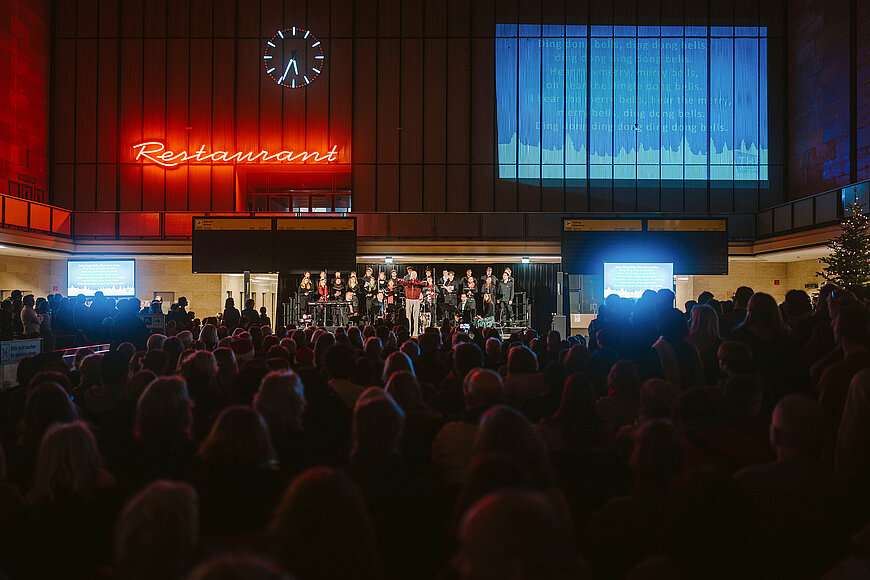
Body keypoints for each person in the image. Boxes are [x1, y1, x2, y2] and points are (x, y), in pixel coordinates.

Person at [398, 269, 427, 336]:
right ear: (410, 275)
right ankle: (409, 332)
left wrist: (415, 282)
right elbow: (399, 282)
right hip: (408, 299)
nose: (413, 275)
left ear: (416, 276)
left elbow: (425, 283)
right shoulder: (407, 282)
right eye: (412, 274)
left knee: (416, 317)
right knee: (408, 317)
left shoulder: (419, 282)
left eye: (415, 274)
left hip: (416, 300)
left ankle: (415, 333)